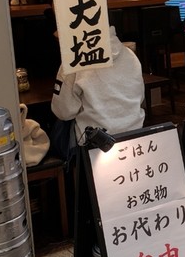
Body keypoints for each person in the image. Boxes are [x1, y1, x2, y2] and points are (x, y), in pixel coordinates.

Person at [50, 25, 145, 160]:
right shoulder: (130, 55)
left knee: (61, 126)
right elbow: (140, 98)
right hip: (135, 136)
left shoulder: (73, 61)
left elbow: (63, 112)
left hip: (95, 144)